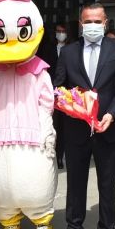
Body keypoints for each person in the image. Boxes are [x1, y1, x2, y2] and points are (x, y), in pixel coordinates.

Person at [54, 3, 115, 229]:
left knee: (107, 184)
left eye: (97, 21)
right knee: (75, 183)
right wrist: (70, 104)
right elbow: (59, 87)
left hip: (108, 128)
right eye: (88, 21)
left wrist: (112, 114)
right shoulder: (68, 52)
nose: (92, 25)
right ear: (80, 24)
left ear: (105, 22)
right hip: (76, 130)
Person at [37, 23, 71, 169]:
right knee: (52, 124)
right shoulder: (48, 48)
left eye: (63, 31)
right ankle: (50, 153)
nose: (61, 34)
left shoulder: (71, 49)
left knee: (63, 127)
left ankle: (60, 156)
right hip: (49, 91)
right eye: (58, 31)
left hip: (66, 94)